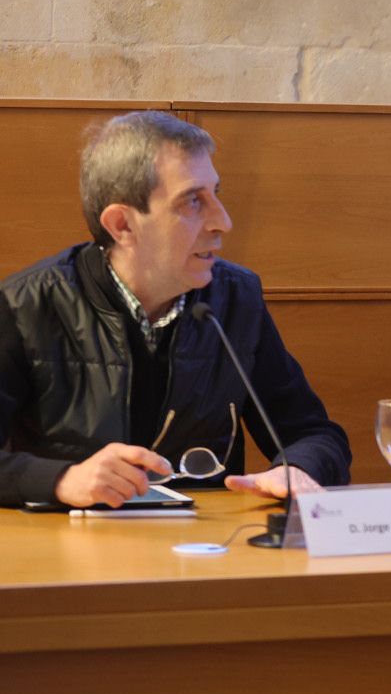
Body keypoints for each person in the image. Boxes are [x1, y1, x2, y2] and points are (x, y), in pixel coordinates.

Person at [0, 111, 351, 509]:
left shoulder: (236, 300)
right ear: (122, 225)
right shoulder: (25, 305)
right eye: (193, 201)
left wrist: (298, 468)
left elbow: (318, 436)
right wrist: (61, 479)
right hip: (67, 554)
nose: (223, 221)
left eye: (217, 193)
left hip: (202, 551)